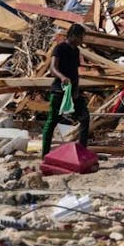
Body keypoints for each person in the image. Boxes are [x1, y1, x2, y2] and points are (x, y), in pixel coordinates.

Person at [41, 23, 91, 157]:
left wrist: (76, 90)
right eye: (81, 37)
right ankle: (44, 154)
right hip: (59, 91)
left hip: (72, 92)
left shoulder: (76, 51)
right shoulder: (60, 48)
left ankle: (81, 152)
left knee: (85, 118)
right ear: (73, 36)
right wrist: (62, 77)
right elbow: (52, 68)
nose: (82, 40)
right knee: (52, 121)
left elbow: (75, 72)